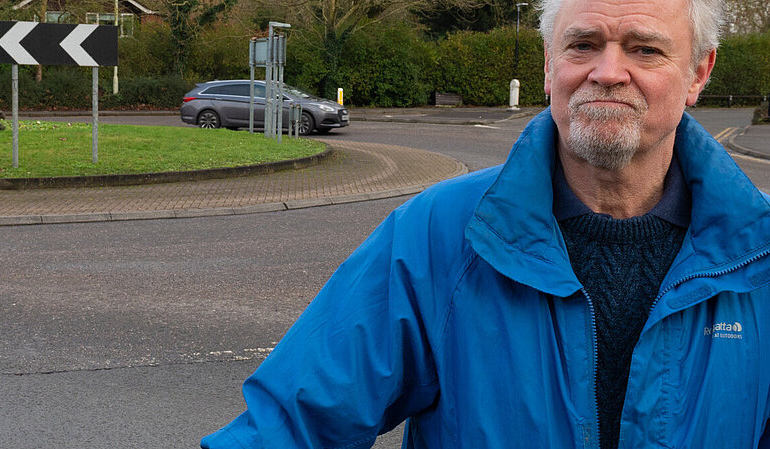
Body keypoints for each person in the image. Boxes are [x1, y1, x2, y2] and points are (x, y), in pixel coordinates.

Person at [202, 0, 770, 447]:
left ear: (699, 72)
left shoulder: (759, 252)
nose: (608, 71)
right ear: (550, 65)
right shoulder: (438, 234)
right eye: (584, 44)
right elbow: (293, 424)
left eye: (645, 50)